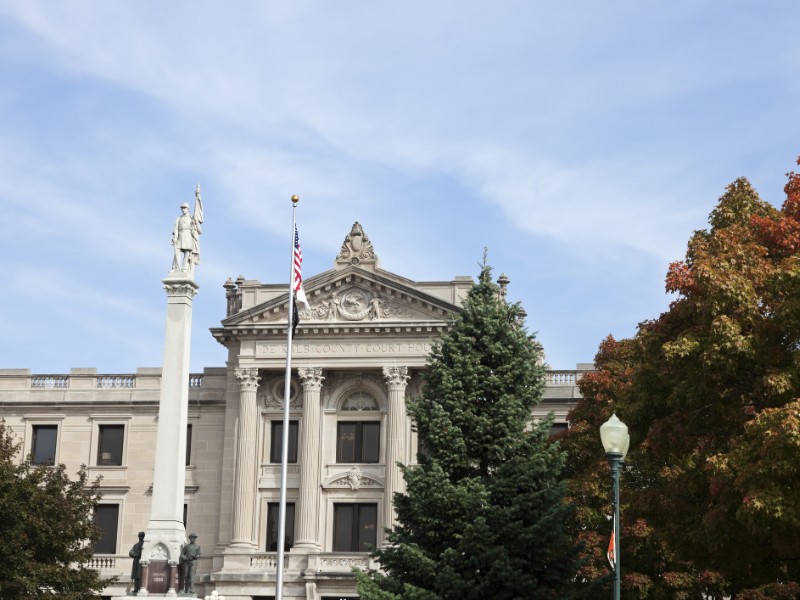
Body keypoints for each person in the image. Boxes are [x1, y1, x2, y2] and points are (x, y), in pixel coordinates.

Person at [171, 185, 203, 274]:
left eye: (184, 208)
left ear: (188, 209)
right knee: (177, 252)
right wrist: (175, 237)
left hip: (188, 235)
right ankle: (175, 268)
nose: (183, 209)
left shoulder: (192, 218)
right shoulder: (179, 218)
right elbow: (176, 228)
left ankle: (184, 268)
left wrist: (195, 223)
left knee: (187, 252)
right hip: (180, 235)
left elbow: (199, 231)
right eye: (182, 208)